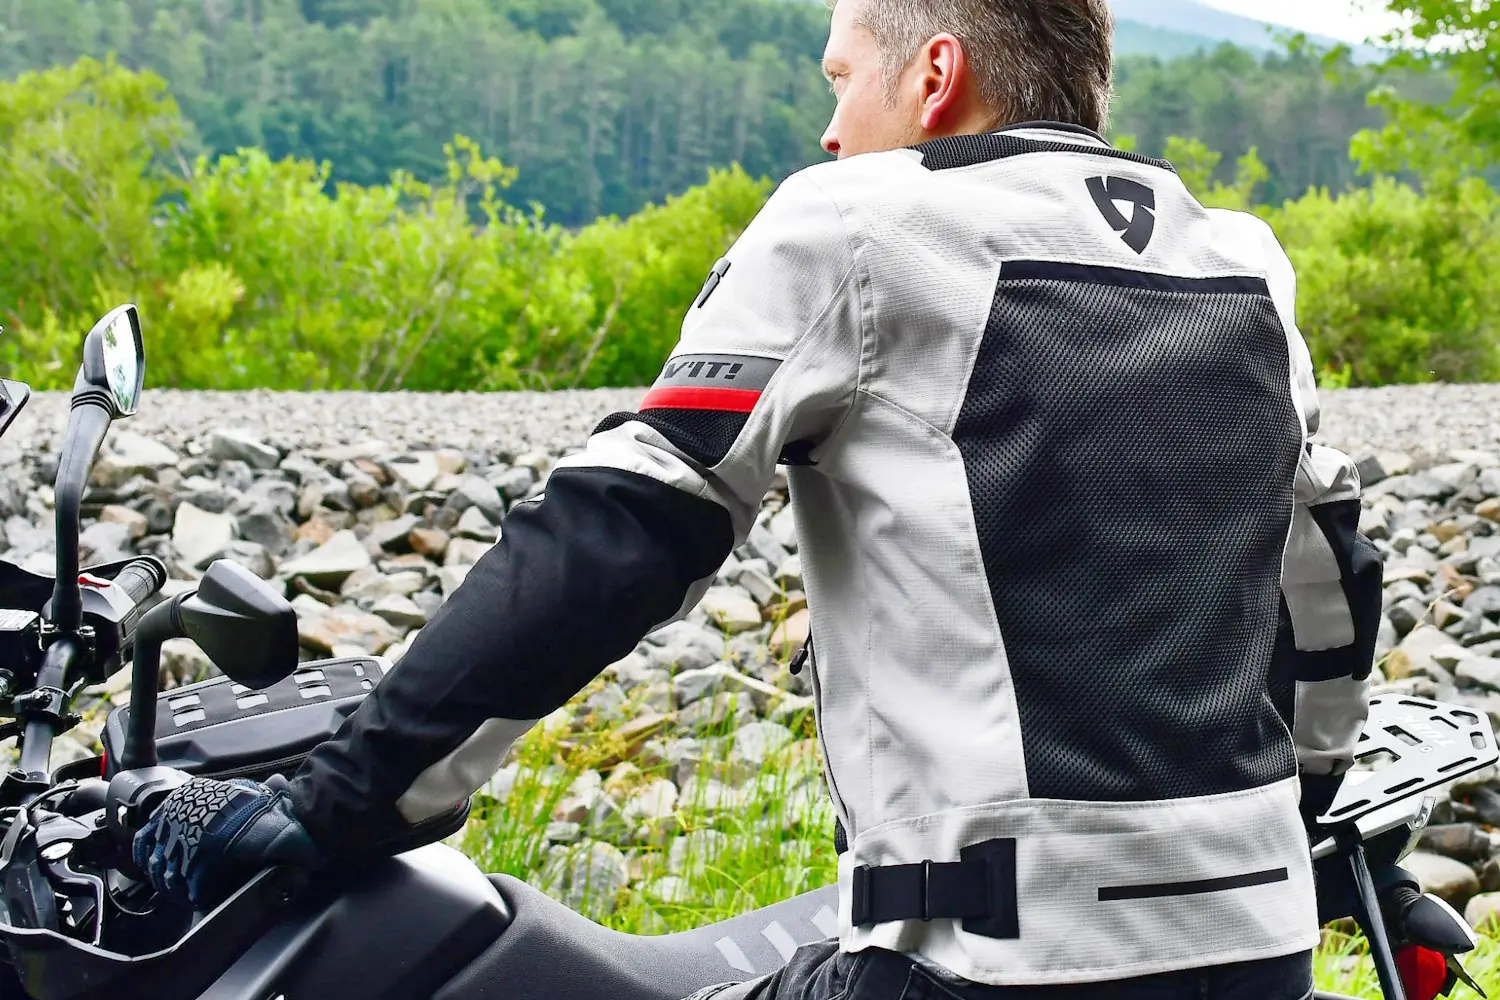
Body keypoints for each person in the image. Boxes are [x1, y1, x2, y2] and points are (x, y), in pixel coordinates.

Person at [131, 1, 1382, 998]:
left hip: (994, 965)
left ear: (934, 73)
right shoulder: (1243, 262)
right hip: (1256, 944)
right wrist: (1303, 806)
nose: (832, 127)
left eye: (841, 78)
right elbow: (1327, 582)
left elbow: (622, 524)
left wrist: (335, 808)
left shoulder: (860, 221)